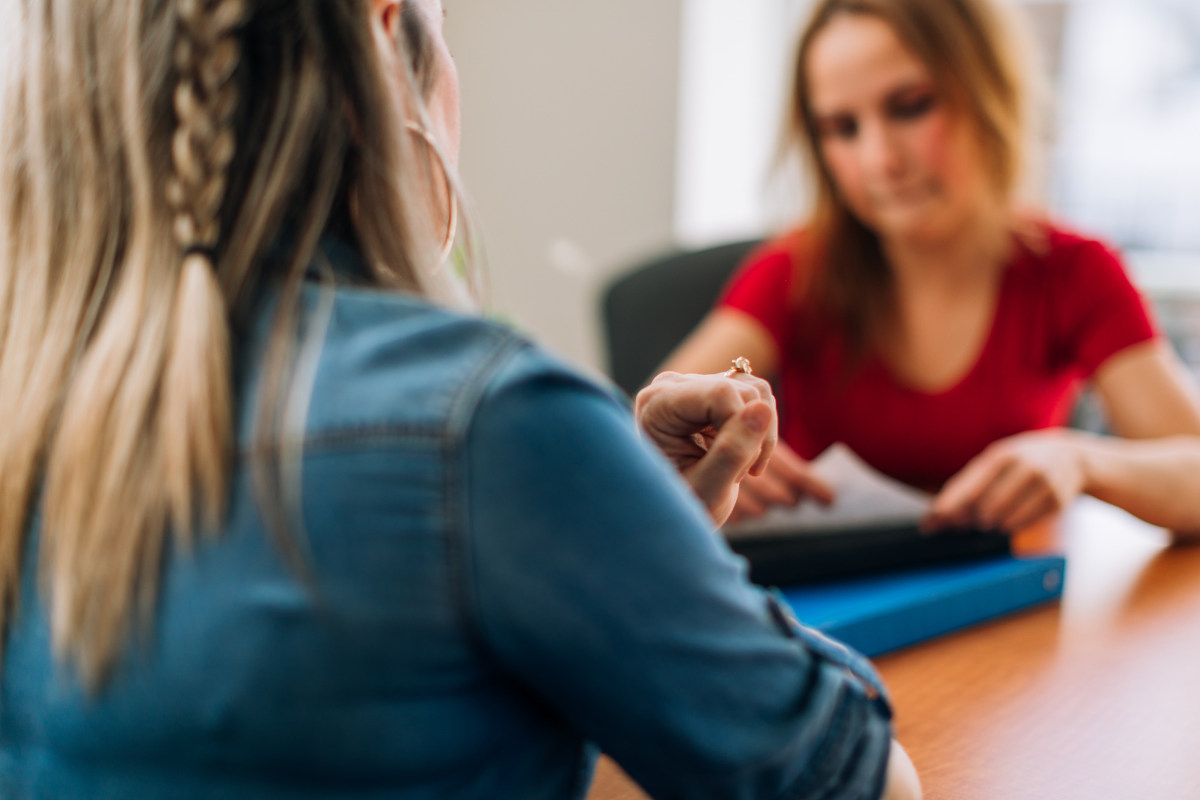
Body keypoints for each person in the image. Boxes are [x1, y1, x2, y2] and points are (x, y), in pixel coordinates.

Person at [0, 1, 921, 798]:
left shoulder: (31, 401)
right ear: (388, 35)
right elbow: (856, 781)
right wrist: (628, 539)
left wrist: (620, 525)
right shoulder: (482, 425)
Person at [664, 0, 1200, 535]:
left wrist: (1083, 461)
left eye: (911, 106)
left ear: (989, 90)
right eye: (841, 128)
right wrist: (703, 462)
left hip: (1014, 599)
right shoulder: (794, 271)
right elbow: (638, 444)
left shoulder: (1073, 271)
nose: (881, 160)